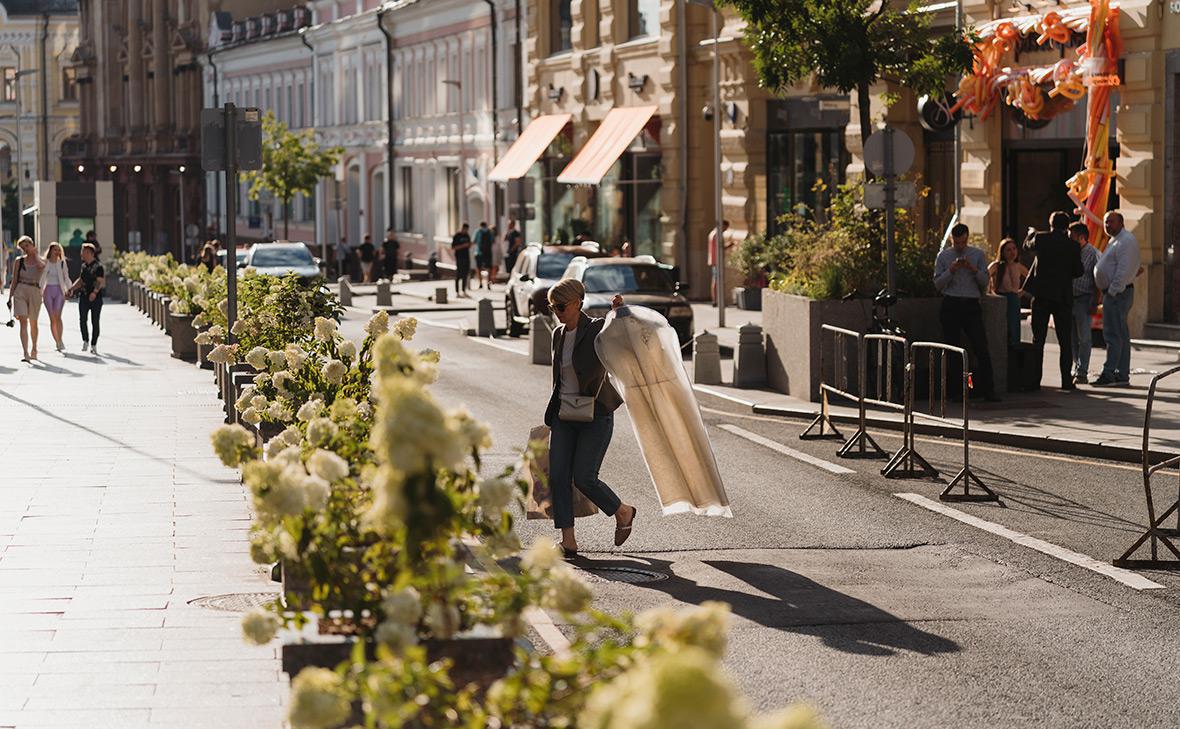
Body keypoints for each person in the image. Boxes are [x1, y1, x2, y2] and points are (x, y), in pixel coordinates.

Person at [544, 278, 638, 557]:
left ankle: (623, 512)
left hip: (596, 414)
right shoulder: (558, 334)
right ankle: (568, 541)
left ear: (577, 303)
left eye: (561, 306)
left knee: (584, 477)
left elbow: (623, 336)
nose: (557, 312)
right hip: (564, 414)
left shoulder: (597, 328)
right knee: (558, 477)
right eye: (552, 307)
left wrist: (620, 312)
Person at [933, 223, 1000, 401]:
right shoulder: (944, 256)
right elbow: (938, 284)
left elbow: (985, 281)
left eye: (963, 242)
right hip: (951, 303)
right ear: (952, 240)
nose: (960, 247)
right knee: (953, 349)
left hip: (971, 304)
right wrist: (951, 270)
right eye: (957, 243)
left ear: (967, 239)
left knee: (981, 347)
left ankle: (988, 390)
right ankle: (956, 392)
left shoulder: (977, 255)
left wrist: (973, 269)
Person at [1025, 211, 1083, 390]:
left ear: (1050, 224)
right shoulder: (1073, 246)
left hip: (1042, 296)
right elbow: (1078, 271)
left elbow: (1027, 245)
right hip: (1063, 297)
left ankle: (1034, 381)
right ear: (1066, 226)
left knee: (1038, 340)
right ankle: (1066, 381)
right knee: (1065, 341)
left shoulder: (1041, 239)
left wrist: (1031, 233)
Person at [1094, 211, 1140, 387]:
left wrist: (1112, 291)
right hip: (1115, 293)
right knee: (1119, 334)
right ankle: (1120, 373)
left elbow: (1123, 270)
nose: (1107, 225)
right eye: (1106, 222)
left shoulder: (1125, 241)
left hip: (1117, 294)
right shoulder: (1116, 240)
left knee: (1114, 335)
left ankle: (1110, 372)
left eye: (1111, 222)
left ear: (1121, 223)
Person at [1069, 221, 1100, 385]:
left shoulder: (1093, 254)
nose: (1069, 239)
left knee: (1084, 338)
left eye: (1071, 236)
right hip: (1069, 298)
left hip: (1084, 299)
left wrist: (1094, 301)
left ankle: (1082, 371)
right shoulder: (1070, 252)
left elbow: (1098, 280)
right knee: (1072, 337)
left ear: (1081, 237)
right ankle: (1076, 366)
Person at [7, 236, 44, 361]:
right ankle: (25, 353)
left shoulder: (40, 260)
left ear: (32, 244)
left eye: (27, 246)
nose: (25, 250)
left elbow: (41, 267)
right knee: (23, 321)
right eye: (23, 248)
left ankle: (34, 348)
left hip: (35, 291)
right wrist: (10, 296)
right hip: (20, 291)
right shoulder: (19, 261)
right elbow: (14, 280)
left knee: (33, 322)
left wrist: (35, 254)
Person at [987, 238, 1027, 346]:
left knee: (1014, 329)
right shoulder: (996, 265)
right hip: (1000, 299)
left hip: (1013, 300)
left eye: (1014, 249)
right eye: (1008, 250)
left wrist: (1021, 292)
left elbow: (1031, 279)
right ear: (1003, 252)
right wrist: (989, 294)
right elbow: (984, 278)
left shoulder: (1018, 266)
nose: (1012, 252)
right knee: (1000, 329)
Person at [69, 243, 104, 354]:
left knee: (95, 321)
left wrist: (94, 292)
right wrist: (72, 288)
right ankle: (85, 340)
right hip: (84, 296)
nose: (81, 254)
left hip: (96, 298)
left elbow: (100, 281)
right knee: (82, 319)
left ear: (89, 253)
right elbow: (81, 280)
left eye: (83, 251)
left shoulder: (98, 266)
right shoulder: (84, 266)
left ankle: (94, 344)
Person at [42, 242, 70, 352]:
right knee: (52, 318)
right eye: (55, 249)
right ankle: (57, 341)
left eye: (59, 250)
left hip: (59, 291)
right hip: (47, 291)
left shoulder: (62, 263)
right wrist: (38, 291)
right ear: (50, 251)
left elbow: (66, 277)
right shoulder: (45, 263)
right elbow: (41, 278)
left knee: (58, 316)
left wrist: (70, 289)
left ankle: (60, 340)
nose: (57, 252)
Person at [707, 220, 731, 306]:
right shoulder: (717, 235)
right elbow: (720, 248)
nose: (725, 230)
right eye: (726, 228)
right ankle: (717, 300)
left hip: (714, 260)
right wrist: (730, 245)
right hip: (717, 261)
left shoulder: (712, 233)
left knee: (715, 280)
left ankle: (715, 300)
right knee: (717, 280)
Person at [452, 223, 472, 297]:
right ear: (462, 228)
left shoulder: (467, 236)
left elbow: (469, 245)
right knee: (458, 274)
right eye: (465, 229)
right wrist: (463, 246)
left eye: (467, 230)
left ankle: (464, 290)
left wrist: (469, 245)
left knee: (465, 274)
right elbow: (453, 247)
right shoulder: (457, 236)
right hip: (459, 257)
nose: (466, 231)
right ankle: (457, 291)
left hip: (466, 257)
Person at [473, 221, 494, 289]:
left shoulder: (478, 231)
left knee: (479, 268)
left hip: (479, 252)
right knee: (489, 268)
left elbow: (474, 241)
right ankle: (488, 283)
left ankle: (480, 283)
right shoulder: (490, 232)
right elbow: (492, 241)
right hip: (488, 252)